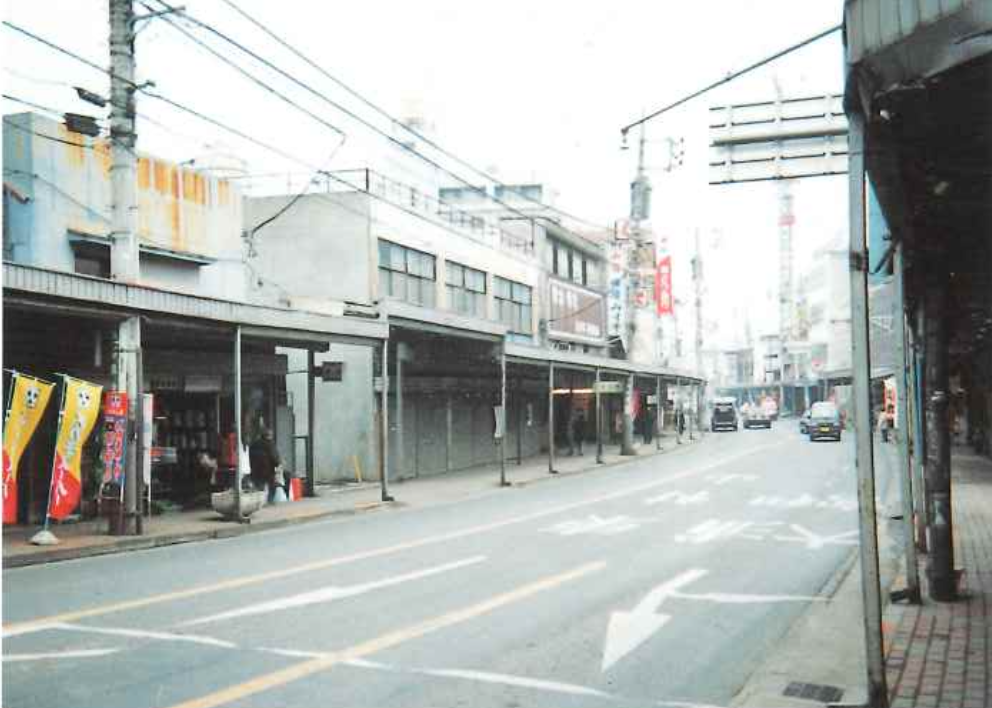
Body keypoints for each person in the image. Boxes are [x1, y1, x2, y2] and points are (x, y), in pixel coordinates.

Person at [249, 426, 282, 502]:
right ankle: (269, 501)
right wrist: (278, 463)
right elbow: (274, 456)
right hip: (268, 469)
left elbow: (250, 456)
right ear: (269, 435)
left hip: (255, 469)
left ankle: (258, 502)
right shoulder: (270, 444)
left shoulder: (254, 444)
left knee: (259, 487)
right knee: (272, 486)